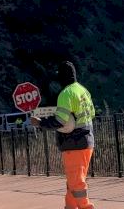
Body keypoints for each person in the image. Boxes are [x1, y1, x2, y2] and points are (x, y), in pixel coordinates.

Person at [32, 60, 96, 209]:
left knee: (76, 183)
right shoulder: (83, 90)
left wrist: (40, 123)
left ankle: (86, 207)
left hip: (73, 143)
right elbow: (92, 113)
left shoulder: (66, 94)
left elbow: (60, 121)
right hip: (87, 142)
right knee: (73, 181)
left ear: (62, 76)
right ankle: (70, 206)